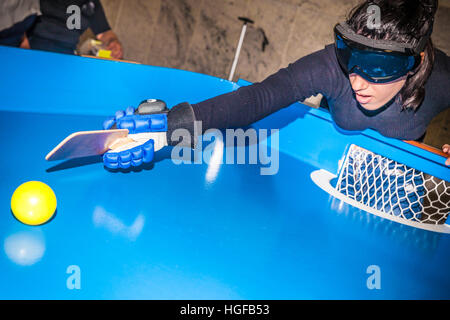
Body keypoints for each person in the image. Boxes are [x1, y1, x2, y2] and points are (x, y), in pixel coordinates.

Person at [102, 0, 450, 169]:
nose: (356, 78)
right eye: (351, 57)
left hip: (397, 183)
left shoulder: (442, 79)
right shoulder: (331, 67)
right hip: (326, 163)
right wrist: (169, 129)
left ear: (414, 63)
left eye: (377, 66)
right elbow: (259, 98)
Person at [26, 0, 123, 58]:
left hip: (67, 54)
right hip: (31, 44)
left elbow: (105, 32)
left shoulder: (91, 3)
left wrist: (113, 42)